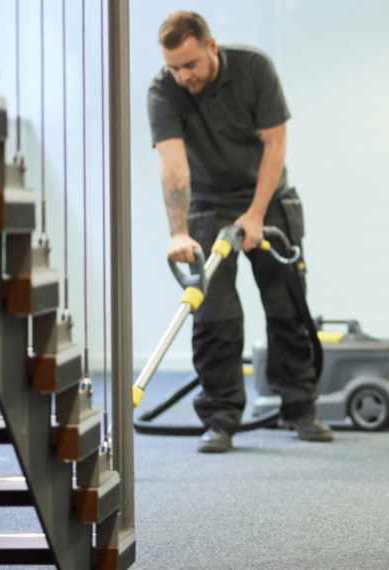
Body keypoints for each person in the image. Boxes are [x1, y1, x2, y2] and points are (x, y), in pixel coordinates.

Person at [147, 11, 332, 453]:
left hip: (268, 198)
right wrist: (178, 231)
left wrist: (255, 214)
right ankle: (221, 417)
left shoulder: (253, 68)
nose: (182, 75)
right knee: (214, 317)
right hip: (209, 205)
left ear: (211, 47)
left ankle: (298, 408)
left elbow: (276, 144)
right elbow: (173, 167)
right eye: (174, 66)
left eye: (190, 64)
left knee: (287, 306)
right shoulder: (164, 90)